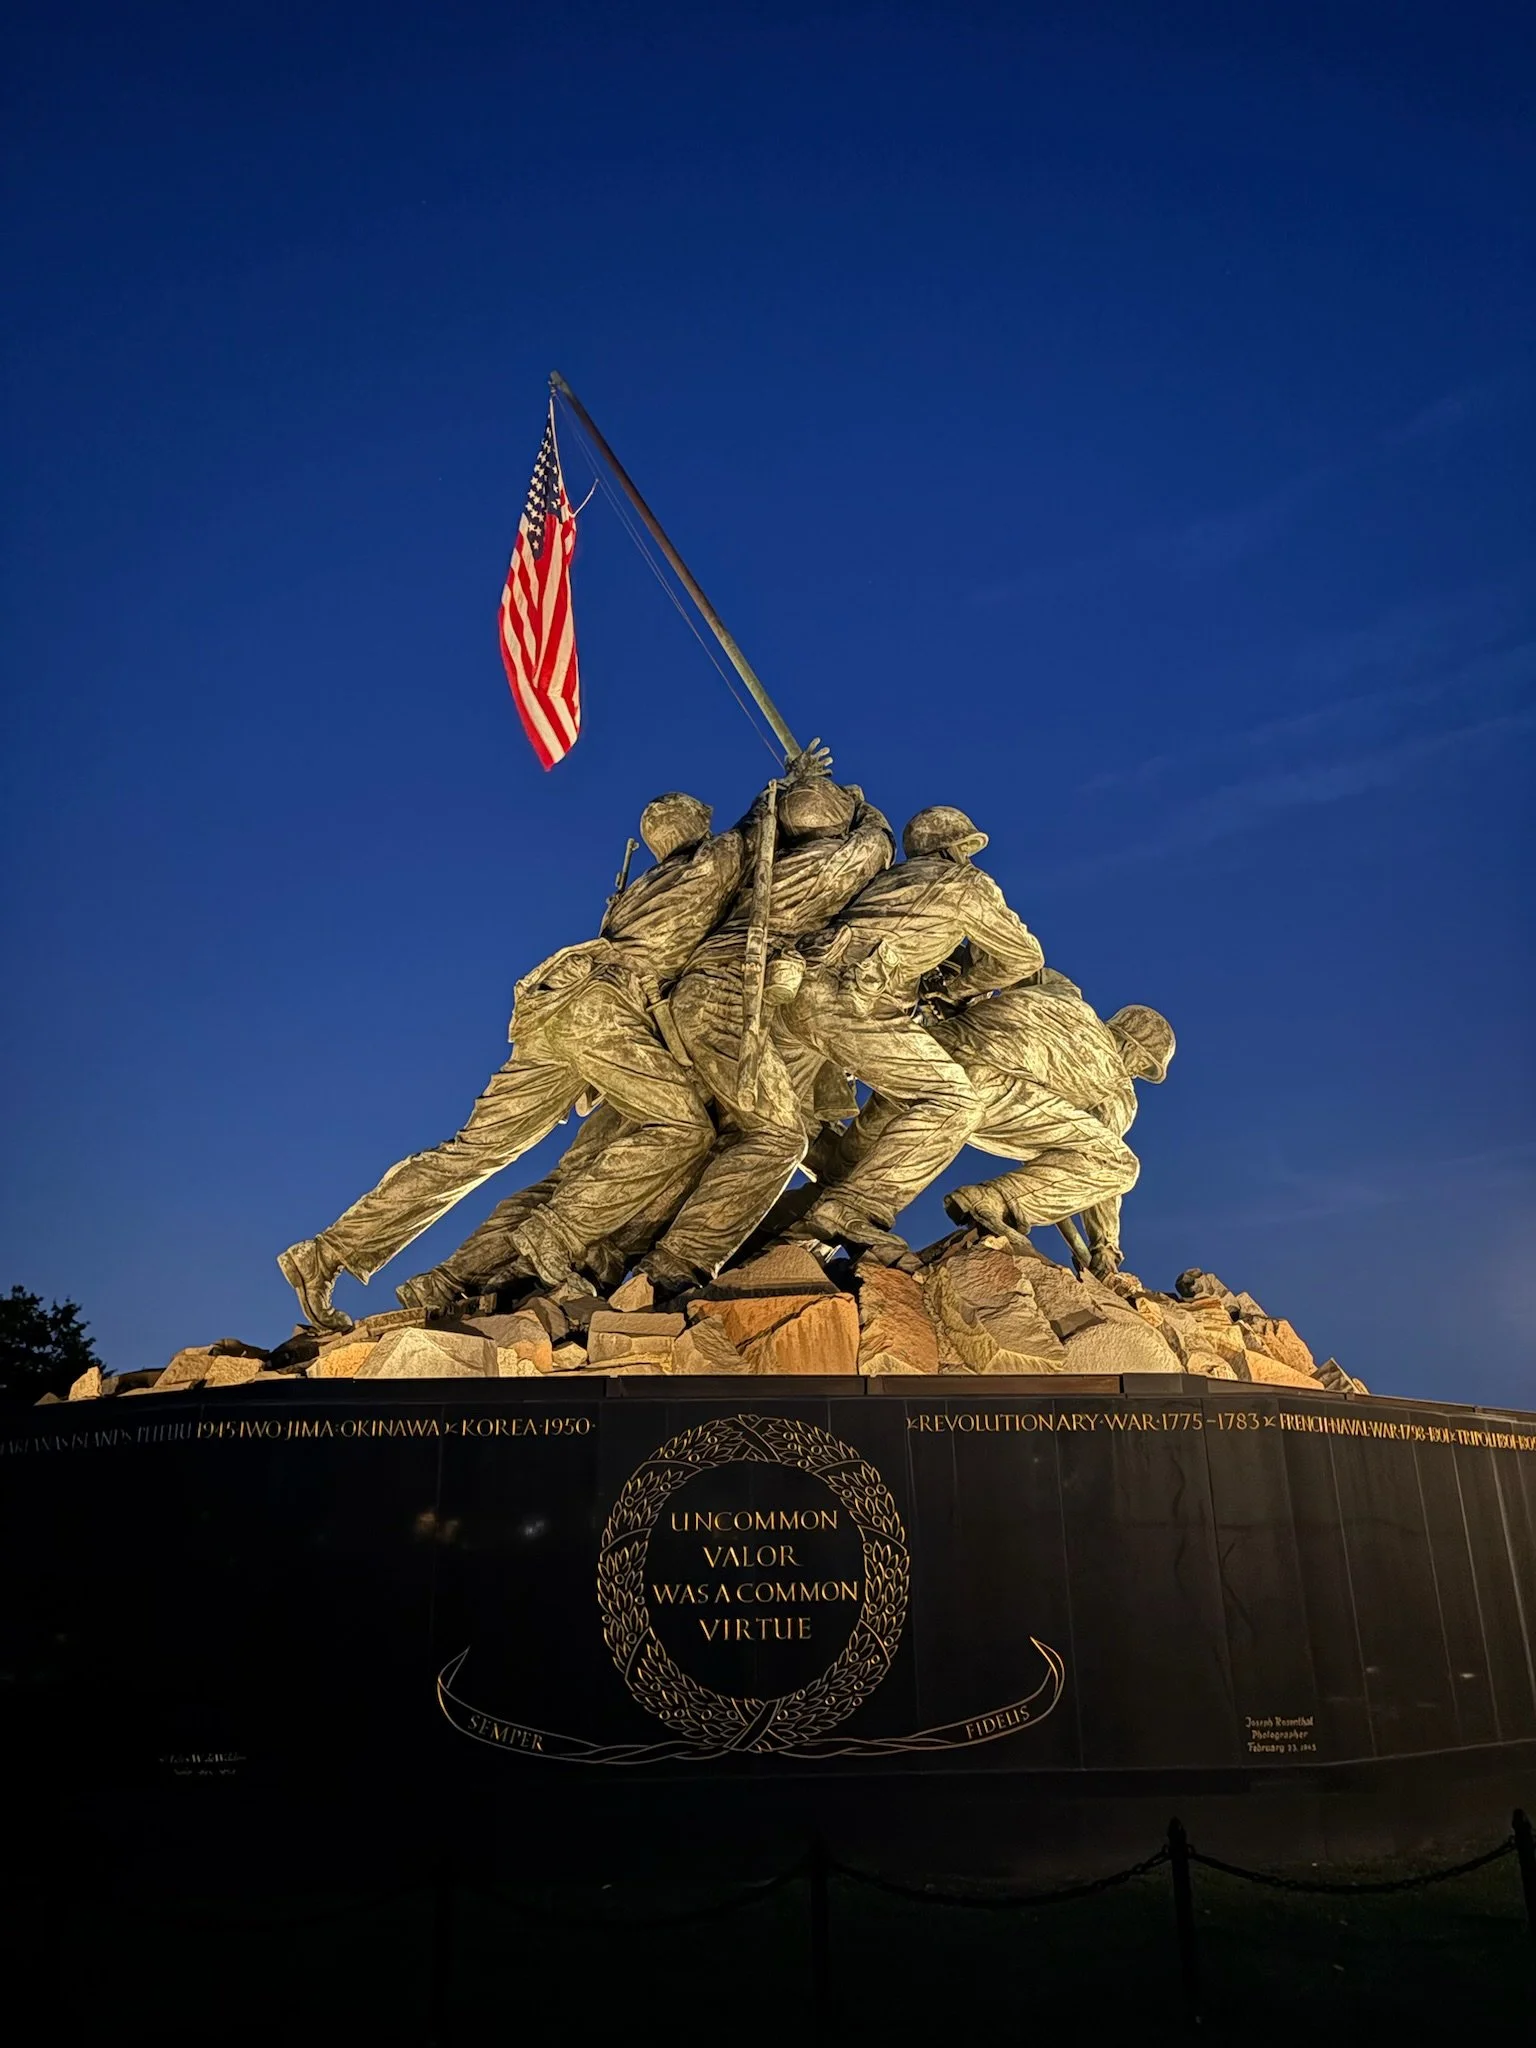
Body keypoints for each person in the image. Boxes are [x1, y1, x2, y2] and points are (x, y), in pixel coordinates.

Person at [276, 791, 739, 1332]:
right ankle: (555, 1235)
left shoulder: (637, 890)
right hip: (599, 1011)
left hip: (552, 1009)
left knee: (470, 1153)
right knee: (684, 1128)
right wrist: (803, 780)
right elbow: (762, 827)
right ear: (701, 823)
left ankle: (328, 1251)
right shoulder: (713, 860)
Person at [635, 763, 896, 1293]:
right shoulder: (827, 864)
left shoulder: (762, 865)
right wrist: (862, 802)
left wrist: (783, 797)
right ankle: (672, 1266)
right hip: (731, 994)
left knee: (730, 1129)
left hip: (703, 992)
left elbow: (751, 831)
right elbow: (877, 843)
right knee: (778, 1136)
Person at [771, 805, 1043, 1258]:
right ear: (956, 851)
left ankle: (768, 1233)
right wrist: (959, 988)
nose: (970, 859)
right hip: (847, 1004)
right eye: (966, 850)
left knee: (779, 1126)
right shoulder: (965, 884)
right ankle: (854, 1207)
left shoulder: (882, 882)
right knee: (954, 1101)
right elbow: (1021, 957)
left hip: (795, 995)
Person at [933, 969, 1175, 1277]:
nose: (1137, 1072)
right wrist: (1104, 1247)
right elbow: (1101, 1162)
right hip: (992, 1096)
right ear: (1133, 1050)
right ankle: (994, 1200)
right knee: (1119, 1165)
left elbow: (1017, 966)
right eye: (1143, 1066)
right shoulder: (1115, 1089)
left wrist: (961, 991)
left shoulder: (1064, 994)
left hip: (932, 1050)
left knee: (858, 1151)